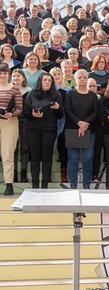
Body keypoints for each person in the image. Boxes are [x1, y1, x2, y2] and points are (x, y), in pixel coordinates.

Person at [23, 72, 63, 188]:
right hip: (33, 128)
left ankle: (45, 184)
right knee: (35, 157)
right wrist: (32, 114)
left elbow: (60, 115)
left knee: (47, 157)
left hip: (49, 129)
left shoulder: (57, 95)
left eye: (49, 81)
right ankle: (35, 185)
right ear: (40, 82)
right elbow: (25, 112)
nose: (47, 82)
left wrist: (57, 108)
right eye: (45, 80)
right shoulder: (32, 93)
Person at [64, 69, 99, 189]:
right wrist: (78, 123)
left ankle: (86, 186)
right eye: (80, 77)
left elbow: (95, 112)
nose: (82, 79)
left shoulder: (93, 95)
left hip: (89, 130)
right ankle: (73, 185)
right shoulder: (70, 94)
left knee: (87, 158)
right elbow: (67, 110)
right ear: (75, 79)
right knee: (73, 159)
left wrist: (85, 124)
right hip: (73, 129)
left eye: (84, 77)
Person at [0, 63, 23, 195]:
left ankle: (9, 184)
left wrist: (11, 114)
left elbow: (20, 108)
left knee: (7, 154)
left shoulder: (15, 89)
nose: (2, 75)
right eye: (0, 72)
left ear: (8, 75)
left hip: (10, 122)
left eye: (4, 72)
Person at [11, 69, 31, 183]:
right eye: (14, 76)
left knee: (24, 147)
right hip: (12, 120)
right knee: (13, 147)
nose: (16, 78)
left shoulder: (29, 91)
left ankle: (23, 173)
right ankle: (13, 173)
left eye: (18, 76)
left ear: (23, 78)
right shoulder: (9, 90)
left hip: (26, 121)